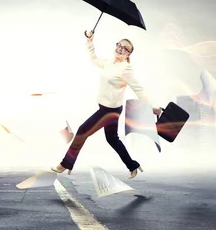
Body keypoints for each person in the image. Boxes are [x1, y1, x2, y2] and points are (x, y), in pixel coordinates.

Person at [51, 29, 162, 179]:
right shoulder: (109, 63)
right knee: (112, 139)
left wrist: (151, 107)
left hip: (109, 111)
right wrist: (90, 40)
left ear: (128, 54)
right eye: (119, 45)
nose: (120, 49)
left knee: (82, 131)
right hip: (106, 108)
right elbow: (94, 59)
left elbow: (138, 89)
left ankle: (65, 164)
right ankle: (133, 165)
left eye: (125, 48)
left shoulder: (126, 68)